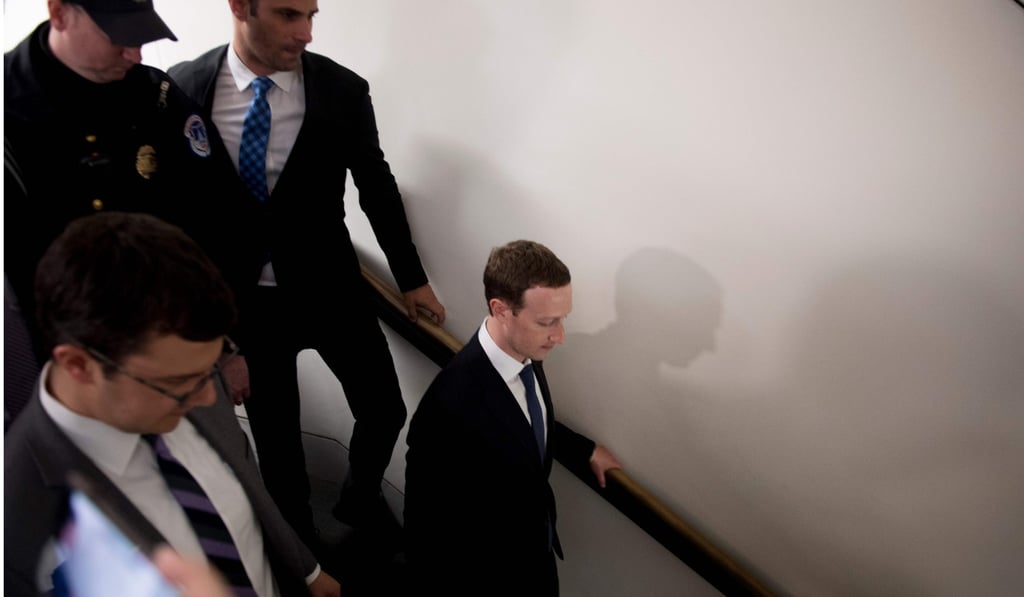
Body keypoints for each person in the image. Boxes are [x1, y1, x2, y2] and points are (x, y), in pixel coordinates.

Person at [167, 0, 446, 545]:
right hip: (247, 305)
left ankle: (359, 499)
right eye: (289, 15)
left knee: (385, 410)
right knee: (277, 442)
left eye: (312, 16)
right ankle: (303, 550)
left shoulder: (341, 90)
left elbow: (376, 186)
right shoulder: (184, 87)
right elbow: (180, 208)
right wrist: (207, 328)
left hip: (330, 289)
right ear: (240, 7)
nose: (306, 33)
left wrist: (411, 278)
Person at [3, 212, 340, 597]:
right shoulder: (16, 524)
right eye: (180, 383)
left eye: (212, 366)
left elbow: (247, 488)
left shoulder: (185, 369)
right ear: (79, 365)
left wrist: (307, 572)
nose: (209, 398)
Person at [4, 0, 254, 372]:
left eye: (141, 37)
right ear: (59, 13)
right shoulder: (9, 106)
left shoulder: (155, 93)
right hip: (61, 354)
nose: (135, 54)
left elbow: (220, 213)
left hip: (172, 331)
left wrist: (227, 338)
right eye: (119, 37)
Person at [403, 240, 624, 596]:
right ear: (501, 310)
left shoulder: (527, 352)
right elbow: (424, 529)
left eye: (562, 319)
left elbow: (519, 422)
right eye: (547, 322)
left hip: (536, 558)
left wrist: (583, 450)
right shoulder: (446, 408)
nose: (560, 336)